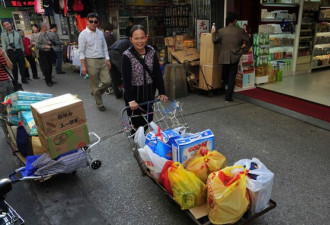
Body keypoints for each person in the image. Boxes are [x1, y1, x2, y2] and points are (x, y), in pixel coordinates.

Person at [122, 25, 167, 130]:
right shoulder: (127, 55)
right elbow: (126, 80)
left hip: (149, 91)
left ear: (146, 37)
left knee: (148, 119)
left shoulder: (151, 51)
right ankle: (137, 140)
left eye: (142, 38)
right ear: (131, 39)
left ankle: (144, 139)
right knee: (136, 122)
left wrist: (162, 91)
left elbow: (157, 73)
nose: (140, 41)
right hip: (134, 92)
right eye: (136, 38)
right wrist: (131, 100)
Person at [212, 12, 252, 102]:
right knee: (231, 77)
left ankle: (225, 91)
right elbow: (249, 39)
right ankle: (228, 97)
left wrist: (214, 33)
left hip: (223, 56)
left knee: (225, 75)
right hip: (235, 55)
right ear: (235, 21)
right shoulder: (240, 30)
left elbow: (214, 40)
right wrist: (244, 50)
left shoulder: (222, 31)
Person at [78, 13, 111, 112]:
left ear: (98, 22)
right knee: (94, 84)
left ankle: (96, 93)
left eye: (95, 21)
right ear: (87, 22)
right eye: (91, 21)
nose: (93, 23)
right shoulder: (83, 34)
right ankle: (99, 103)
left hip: (102, 59)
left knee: (107, 81)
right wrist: (83, 66)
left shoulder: (100, 33)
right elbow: (81, 51)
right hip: (90, 60)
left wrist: (107, 59)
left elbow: (104, 47)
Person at [35, 22, 57, 87]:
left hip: (49, 52)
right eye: (45, 26)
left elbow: (48, 41)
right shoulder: (39, 35)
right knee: (46, 67)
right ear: (42, 27)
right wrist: (45, 46)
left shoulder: (47, 34)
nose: (47, 26)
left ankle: (50, 79)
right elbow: (37, 45)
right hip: (43, 53)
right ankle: (47, 81)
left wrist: (49, 42)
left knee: (50, 66)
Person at [0, 47, 14, 131]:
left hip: (8, 82)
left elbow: (10, 67)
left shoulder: (2, 52)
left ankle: (13, 129)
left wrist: (4, 54)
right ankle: (7, 132)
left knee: (12, 106)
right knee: (3, 110)